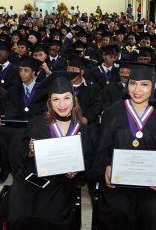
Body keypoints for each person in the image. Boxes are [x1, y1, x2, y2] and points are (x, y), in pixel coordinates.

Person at [91, 63, 156, 229]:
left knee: (152, 210)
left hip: (151, 182)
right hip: (119, 182)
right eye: (133, 83)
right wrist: (106, 165)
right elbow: (102, 147)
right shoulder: (112, 112)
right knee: (117, 210)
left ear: (154, 86)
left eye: (144, 84)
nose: (137, 90)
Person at [7, 72, 94, 229]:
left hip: (63, 182)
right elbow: (20, 156)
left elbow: (88, 159)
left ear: (74, 99)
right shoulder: (37, 123)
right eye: (56, 99)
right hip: (35, 177)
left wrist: (77, 170)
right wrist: (30, 150)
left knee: (50, 217)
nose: (62, 104)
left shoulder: (83, 129)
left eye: (66, 98)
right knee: (22, 214)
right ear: (50, 102)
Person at [0, 55, 47, 183]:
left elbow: (43, 112)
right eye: (20, 70)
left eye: (26, 70)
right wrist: (5, 118)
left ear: (34, 73)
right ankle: (5, 167)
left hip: (34, 126)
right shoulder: (13, 91)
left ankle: (21, 168)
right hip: (16, 124)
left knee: (20, 136)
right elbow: (9, 110)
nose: (22, 73)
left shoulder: (43, 90)